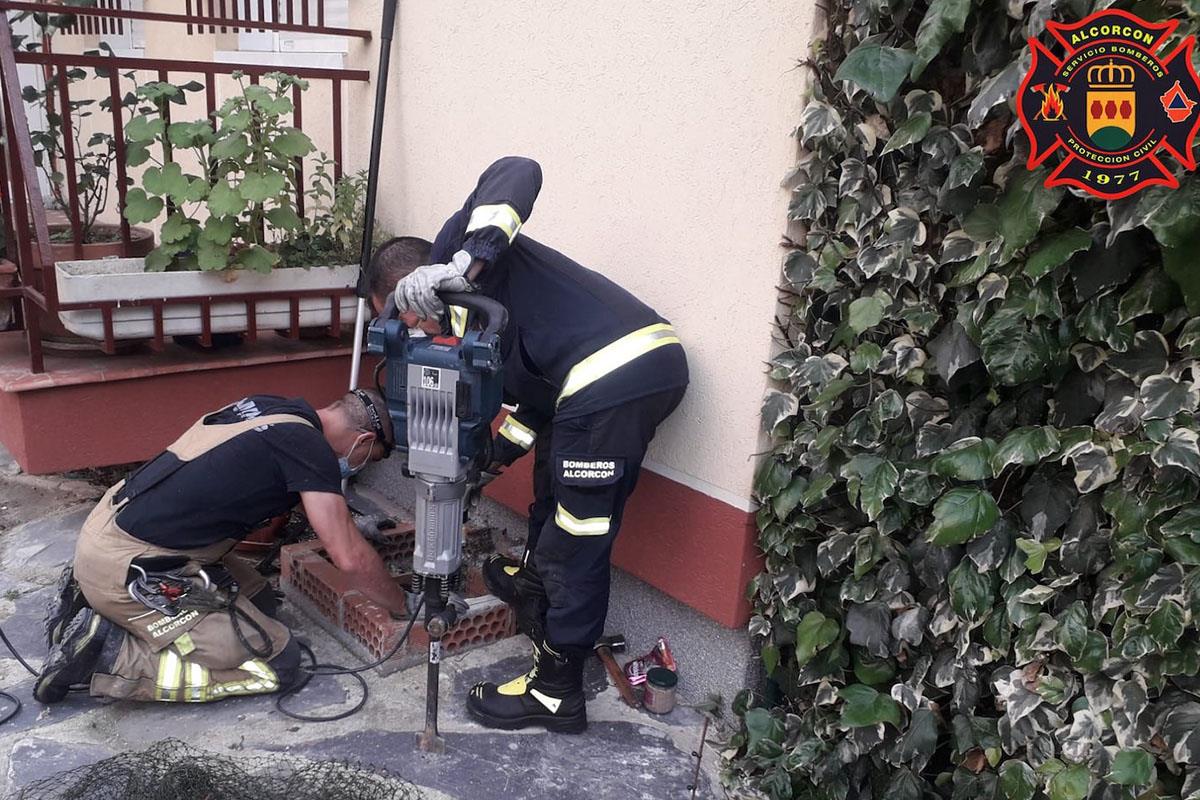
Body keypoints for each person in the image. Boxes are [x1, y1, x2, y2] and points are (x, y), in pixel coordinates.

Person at [368, 156, 689, 734]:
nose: (411, 334)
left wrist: (464, 261)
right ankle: (537, 582)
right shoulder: (472, 328)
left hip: (614, 376)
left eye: (400, 319)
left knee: (576, 536)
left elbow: (518, 170)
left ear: (407, 290)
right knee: (554, 486)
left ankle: (556, 691)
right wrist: (493, 457)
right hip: (595, 386)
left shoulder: (461, 255)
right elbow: (538, 398)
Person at [35, 390, 407, 705]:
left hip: (111, 527)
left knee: (263, 603)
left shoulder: (277, 411)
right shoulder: (311, 450)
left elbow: (276, 483)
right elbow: (350, 558)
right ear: (363, 442)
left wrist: (351, 524)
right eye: (369, 460)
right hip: (136, 564)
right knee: (277, 659)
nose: (359, 467)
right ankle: (109, 654)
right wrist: (404, 612)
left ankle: (90, 601)